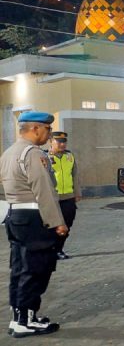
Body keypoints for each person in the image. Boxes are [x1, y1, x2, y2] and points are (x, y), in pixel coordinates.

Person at [1, 111, 65, 337]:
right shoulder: (33, 153)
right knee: (36, 269)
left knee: (19, 268)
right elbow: (44, 191)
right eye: (47, 129)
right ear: (35, 129)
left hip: (15, 216)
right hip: (34, 219)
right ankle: (26, 321)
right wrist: (57, 222)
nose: (49, 135)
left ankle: (19, 317)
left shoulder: (9, 152)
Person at [48, 131, 81, 260]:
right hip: (52, 198)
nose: (62, 144)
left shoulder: (69, 156)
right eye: (59, 141)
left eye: (64, 142)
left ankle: (58, 249)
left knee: (67, 225)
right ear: (51, 141)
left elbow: (75, 175)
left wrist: (77, 193)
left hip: (68, 196)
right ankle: (50, 250)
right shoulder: (45, 157)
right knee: (52, 225)